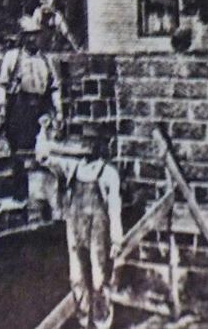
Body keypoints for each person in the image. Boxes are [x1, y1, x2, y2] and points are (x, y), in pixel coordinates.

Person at [57, 132, 123, 329]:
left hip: (97, 229)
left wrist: (116, 239)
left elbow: (114, 207)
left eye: (93, 144)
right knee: (77, 276)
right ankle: (84, 321)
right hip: (75, 226)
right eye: (85, 144)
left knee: (98, 277)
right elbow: (43, 156)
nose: (89, 149)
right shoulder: (73, 167)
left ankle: (102, 322)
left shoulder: (109, 173)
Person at [0, 14, 64, 201]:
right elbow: (1, 84)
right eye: (29, 35)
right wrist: (2, 107)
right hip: (19, 108)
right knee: (19, 154)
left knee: (42, 152)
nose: (33, 39)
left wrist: (59, 112)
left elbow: (54, 87)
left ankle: (40, 194)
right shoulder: (12, 57)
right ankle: (20, 194)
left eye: (36, 34)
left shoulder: (47, 61)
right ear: (23, 37)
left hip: (40, 108)